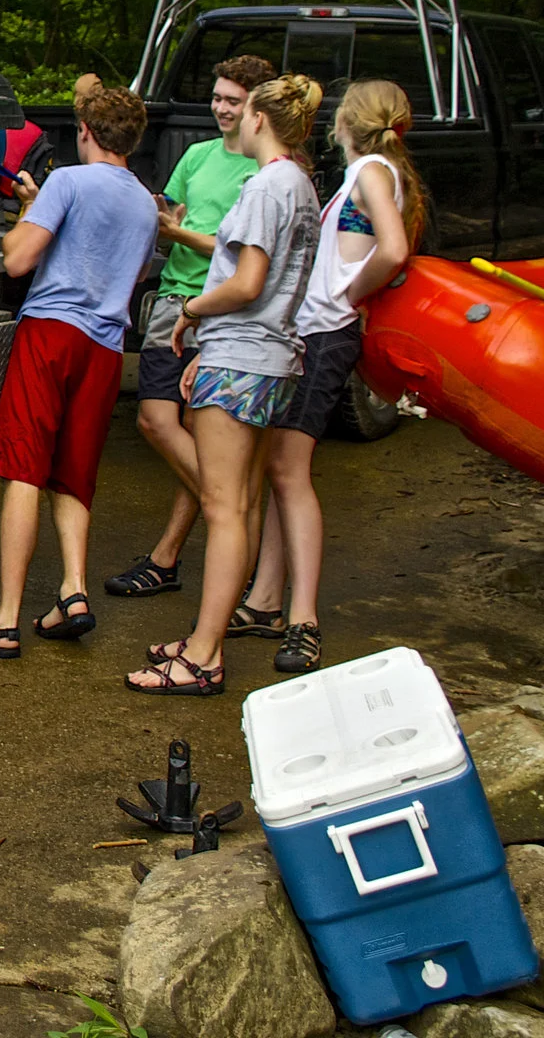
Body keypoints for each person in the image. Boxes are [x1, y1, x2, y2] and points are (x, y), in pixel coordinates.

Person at [127, 73, 322, 696]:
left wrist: (190, 312)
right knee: (236, 503)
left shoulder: (265, 186)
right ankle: (204, 637)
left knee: (224, 507)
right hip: (272, 357)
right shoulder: (301, 184)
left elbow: (247, 282)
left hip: (242, 357)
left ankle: (204, 656)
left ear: (259, 119)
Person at [0, 79, 159, 659]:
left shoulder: (68, 181)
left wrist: (30, 209)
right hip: (105, 346)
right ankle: (74, 591)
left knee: (25, 466)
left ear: (86, 132)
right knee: (73, 472)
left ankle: (5, 619)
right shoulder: (145, 204)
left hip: (51, 333)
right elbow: (133, 275)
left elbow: (18, 258)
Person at [240, 79, 425, 673]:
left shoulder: (370, 169)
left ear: (348, 119)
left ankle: (304, 619)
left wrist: (349, 297)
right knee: (280, 466)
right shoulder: (375, 172)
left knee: (290, 471)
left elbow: (392, 251)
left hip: (326, 333)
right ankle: (266, 600)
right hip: (315, 331)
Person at [103, 55, 276, 604]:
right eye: (218, 97)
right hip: (173, 299)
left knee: (205, 433)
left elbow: (233, 251)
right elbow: (175, 221)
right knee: (156, 420)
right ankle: (232, 511)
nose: (221, 109)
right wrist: (165, 225)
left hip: (221, 307)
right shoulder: (198, 155)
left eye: (233, 101)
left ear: (257, 108)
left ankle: (167, 557)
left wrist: (180, 233)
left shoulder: (264, 171)